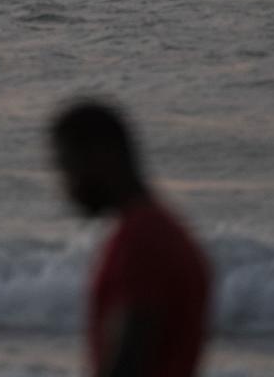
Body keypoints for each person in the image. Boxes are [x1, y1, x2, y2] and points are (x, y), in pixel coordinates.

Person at [49, 99, 211, 377]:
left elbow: (129, 364)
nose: (67, 187)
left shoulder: (143, 239)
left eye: (68, 167)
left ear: (101, 154)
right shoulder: (159, 228)